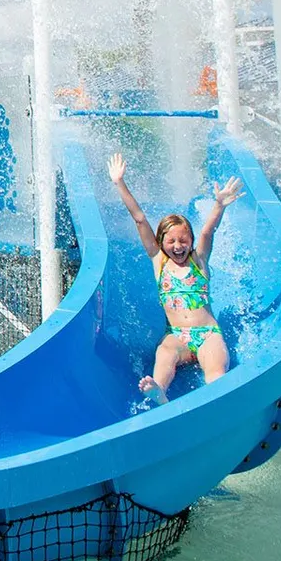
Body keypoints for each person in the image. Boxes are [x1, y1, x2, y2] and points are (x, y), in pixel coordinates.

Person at [107, 151, 245, 400]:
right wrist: (119, 183)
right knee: (165, 352)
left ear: (191, 242)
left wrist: (219, 205)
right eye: (171, 241)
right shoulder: (159, 261)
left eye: (183, 240)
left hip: (207, 334)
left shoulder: (199, 260)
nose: (178, 245)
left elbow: (208, 231)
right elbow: (139, 220)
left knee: (215, 369)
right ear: (161, 242)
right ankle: (159, 391)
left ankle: (217, 395)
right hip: (177, 335)